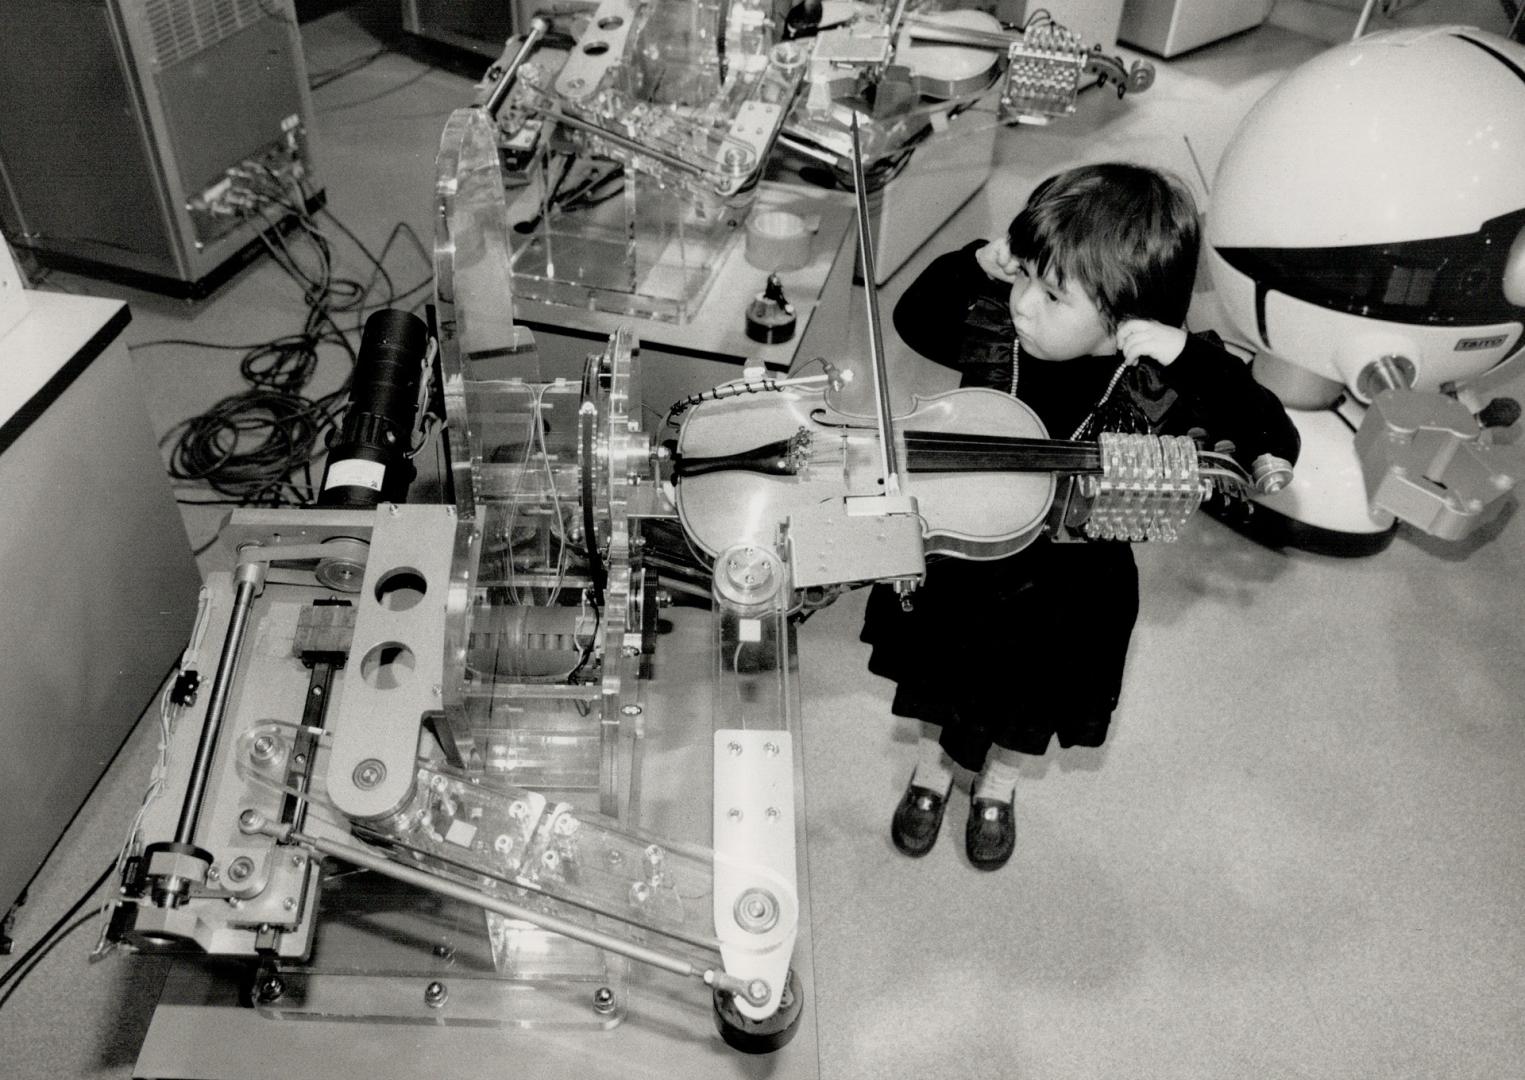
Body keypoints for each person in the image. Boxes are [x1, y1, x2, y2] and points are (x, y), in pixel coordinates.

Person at [861, 162, 1299, 870]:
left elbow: (1270, 435)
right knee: (942, 683)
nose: (1023, 305)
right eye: (1022, 276)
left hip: (1068, 587)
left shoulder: (1161, 375)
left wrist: (1188, 355)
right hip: (966, 555)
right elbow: (913, 319)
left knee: (1026, 703)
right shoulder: (997, 327)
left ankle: (997, 787)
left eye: (1052, 293)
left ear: (1127, 316)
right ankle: (929, 774)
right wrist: (977, 262)